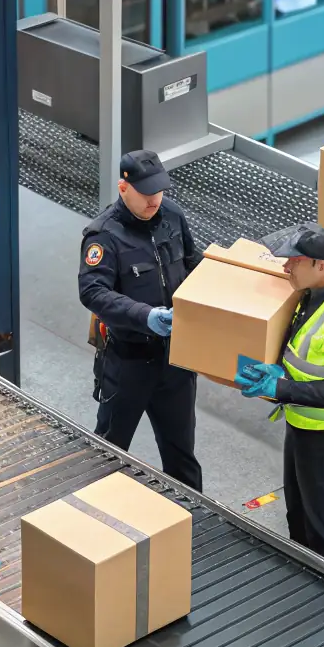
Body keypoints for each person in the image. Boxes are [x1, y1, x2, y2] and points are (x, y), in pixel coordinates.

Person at [236, 222, 324, 571]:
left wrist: (279, 388)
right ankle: (305, 576)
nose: (285, 268)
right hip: (303, 421)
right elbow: (307, 361)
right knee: (298, 509)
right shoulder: (313, 294)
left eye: (293, 261)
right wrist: (280, 373)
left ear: (319, 264)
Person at [78, 148, 203, 491]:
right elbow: (93, 292)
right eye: (146, 194)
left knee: (182, 457)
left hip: (176, 363)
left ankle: (191, 527)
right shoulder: (103, 236)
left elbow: (194, 263)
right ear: (123, 188)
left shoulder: (172, 216)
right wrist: (146, 316)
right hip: (128, 364)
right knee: (107, 452)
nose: (154, 201)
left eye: (159, 191)